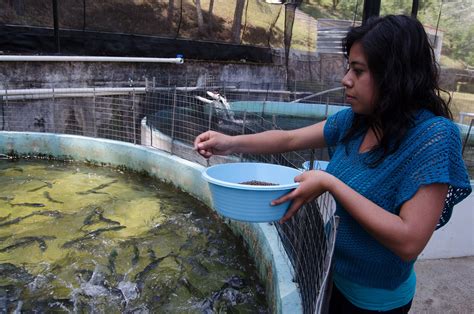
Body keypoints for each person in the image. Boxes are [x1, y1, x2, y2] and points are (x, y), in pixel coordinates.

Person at [194, 15, 472, 313]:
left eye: (358, 70)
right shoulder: (357, 122)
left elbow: (409, 241)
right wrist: (229, 142)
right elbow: (288, 140)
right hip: (331, 276)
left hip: (377, 304)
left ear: (395, 74)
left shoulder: (434, 138)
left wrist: (330, 183)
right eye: (348, 67)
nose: (345, 80)